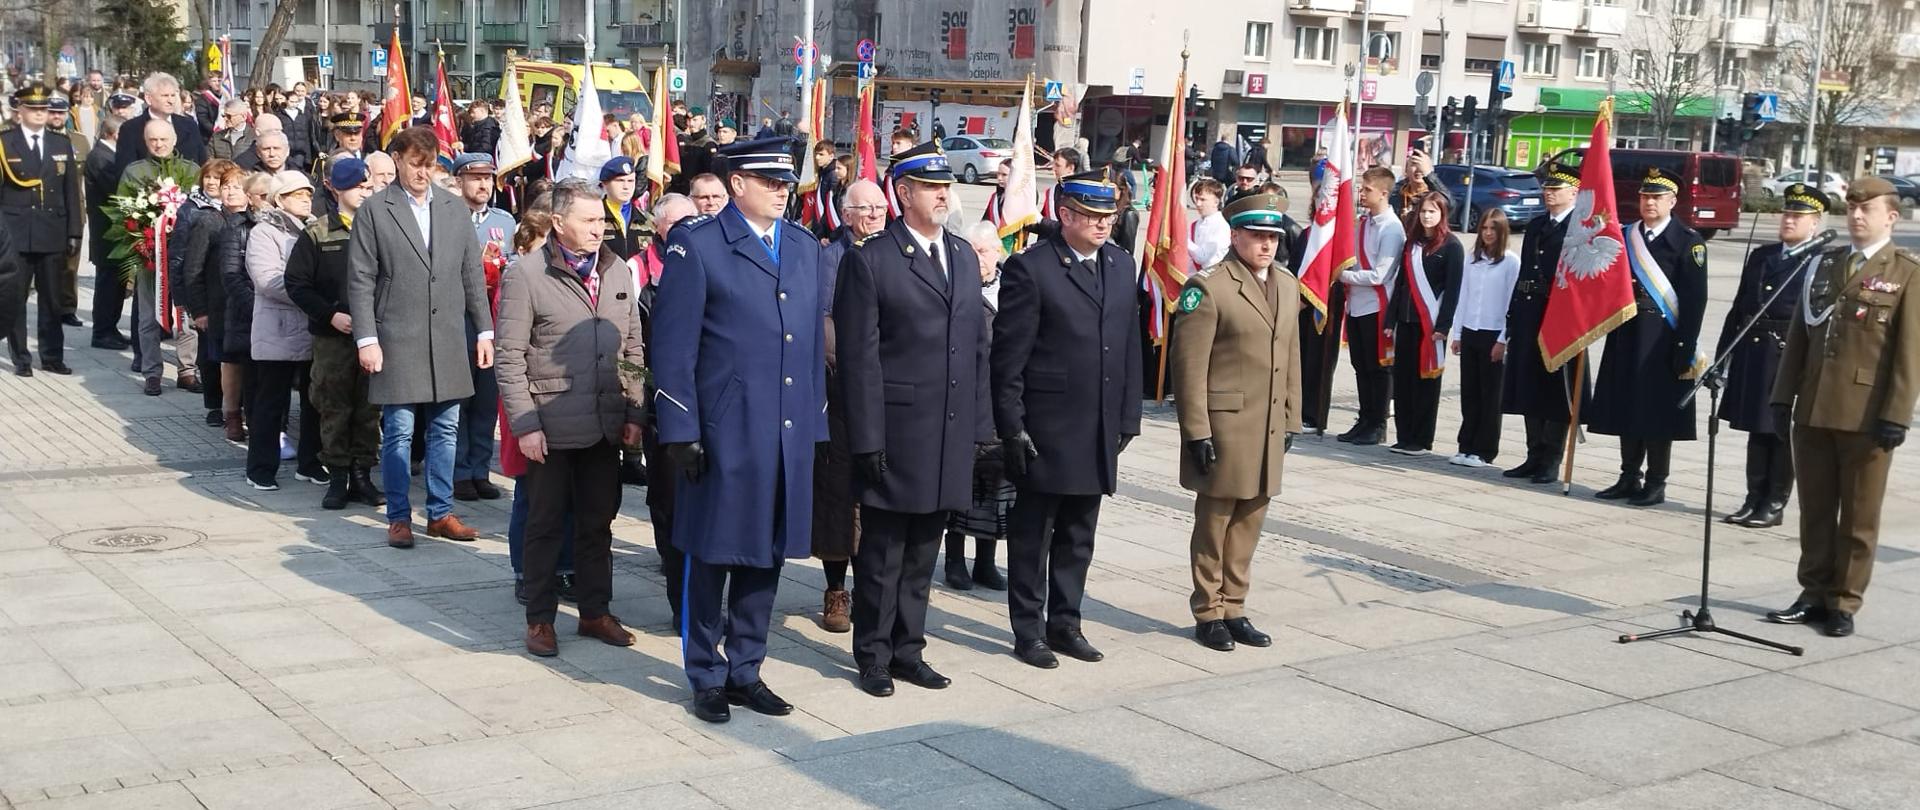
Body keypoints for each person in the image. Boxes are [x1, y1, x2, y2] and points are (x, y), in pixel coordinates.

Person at [652, 136, 827, 724]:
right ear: (736, 185)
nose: (782, 191)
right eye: (770, 182)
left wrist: (815, 428)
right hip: (725, 430)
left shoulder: (803, 249)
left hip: (784, 430)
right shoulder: (697, 246)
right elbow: (673, 348)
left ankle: (746, 667)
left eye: (786, 182)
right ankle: (704, 672)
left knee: (766, 553)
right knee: (712, 554)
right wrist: (681, 428)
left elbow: (805, 349)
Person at [833, 142, 991, 697]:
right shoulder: (871, 258)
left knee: (925, 549)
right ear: (903, 193)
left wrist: (980, 428)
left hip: (948, 429)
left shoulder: (964, 255)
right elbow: (858, 359)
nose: (944, 194)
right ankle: (873, 655)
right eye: (931, 186)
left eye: (947, 185)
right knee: (882, 552)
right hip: (896, 431)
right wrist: (867, 439)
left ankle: (909, 649)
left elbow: (977, 348)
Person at [992, 167, 1143, 669]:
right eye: (1093, 217)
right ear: (1066, 215)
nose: (1103, 225)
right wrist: (1011, 426)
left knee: (1080, 532)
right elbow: (1009, 359)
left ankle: (1066, 623)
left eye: (1109, 216)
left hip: (1097, 423)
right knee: (1034, 535)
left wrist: (1128, 416)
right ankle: (1028, 630)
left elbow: (1128, 346)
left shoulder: (1120, 266)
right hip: (1047, 426)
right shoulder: (1032, 269)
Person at [496, 178, 647, 657]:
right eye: (588, 220)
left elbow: (632, 348)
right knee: (544, 526)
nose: (598, 228)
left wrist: (633, 408)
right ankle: (540, 618)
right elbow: (509, 357)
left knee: (598, 523)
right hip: (550, 428)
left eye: (601, 218)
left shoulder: (618, 270)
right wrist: (525, 425)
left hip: (605, 425)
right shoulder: (527, 273)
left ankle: (594, 611)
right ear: (559, 223)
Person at [1764, 176, 1920, 639]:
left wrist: (1896, 413)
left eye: (1865, 209)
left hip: (1866, 414)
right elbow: (1799, 339)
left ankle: (1844, 601)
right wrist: (1781, 395)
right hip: (1812, 408)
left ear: (1890, 216)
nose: (1855, 217)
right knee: (1814, 509)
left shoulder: (1907, 272)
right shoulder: (1826, 263)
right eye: (1851, 208)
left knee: (1858, 515)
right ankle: (1812, 593)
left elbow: (1910, 353)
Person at [346, 126, 495, 548]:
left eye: (430, 165)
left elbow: (472, 274)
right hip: (396, 335)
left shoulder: (452, 208)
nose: (422, 173)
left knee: (446, 431)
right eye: (415, 164)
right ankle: (398, 516)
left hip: (447, 336)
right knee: (398, 432)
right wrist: (366, 338)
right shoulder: (376, 210)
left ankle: (440, 512)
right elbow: (360, 279)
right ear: (396, 159)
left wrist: (483, 330)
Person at [1170, 193, 1300, 652]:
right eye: (1258, 236)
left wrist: (1291, 418)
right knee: (1215, 519)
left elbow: (1291, 355)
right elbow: (1188, 368)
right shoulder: (1208, 287)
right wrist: (1196, 431)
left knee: (1251, 517)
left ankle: (1235, 606)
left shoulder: (1286, 284)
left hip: (1266, 425)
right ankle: (1208, 610)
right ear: (1236, 235)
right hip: (1224, 425)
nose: (1266, 245)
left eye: (1273, 237)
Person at [1587, 167, 1707, 508]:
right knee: (1627, 405)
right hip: (1628, 332)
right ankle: (1628, 476)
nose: (1649, 202)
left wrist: (1684, 347)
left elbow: (1695, 300)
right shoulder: (1626, 236)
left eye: (1656, 197)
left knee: (1657, 413)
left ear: (1672, 201)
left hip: (1663, 337)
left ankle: (1656, 481)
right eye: (1644, 196)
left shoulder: (1688, 242)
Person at [1716, 185, 1822, 529]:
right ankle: (1753, 498)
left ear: (1815, 223)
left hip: (1787, 353)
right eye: (1787, 214)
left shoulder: (1820, 262)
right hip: (1755, 350)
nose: (1789, 220)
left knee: (1779, 431)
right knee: (1756, 430)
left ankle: (1774, 502)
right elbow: (1739, 307)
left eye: (1798, 216)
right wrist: (1723, 356)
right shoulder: (1763, 256)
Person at [812, 180, 889, 633]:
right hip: (839, 392)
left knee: (877, 497)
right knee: (837, 498)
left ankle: (873, 588)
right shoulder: (830, 257)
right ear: (846, 213)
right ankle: (835, 591)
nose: (875, 215)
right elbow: (821, 321)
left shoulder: (896, 252)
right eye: (865, 208)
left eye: (880, 207)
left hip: (885, 392)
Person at [286, 156, 384, 509]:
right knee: (334, 405)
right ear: (336, 189)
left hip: (374, 334)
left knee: (370, 407)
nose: (363, 192)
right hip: (333, 338)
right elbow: (296, 283)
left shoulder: (381, 228)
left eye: (367, 186)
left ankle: (363, 475)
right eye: (356, 186)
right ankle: (338, 476)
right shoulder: (319, 232)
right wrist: (330, 315)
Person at [1500, 157, 1591, 484]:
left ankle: (1551, 459)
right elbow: (1525, 273)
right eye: (1547, 187)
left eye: (1557, 188)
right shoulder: (1538, 226)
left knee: (1556, 391)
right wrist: (1513, 318)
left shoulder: (1580, 229)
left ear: (1575, 192)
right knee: (1530, 386)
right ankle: (1533, 454)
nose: (1549, 193)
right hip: (1529, 312)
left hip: (1560, 318)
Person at [633, 192, 698, 626]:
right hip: (664, 413)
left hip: (710, 418)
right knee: (670, 510)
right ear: (660, 229)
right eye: (679, 226)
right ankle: (683, 604)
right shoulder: (642, 276)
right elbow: (635, 351)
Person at [243, 170, 321, 491]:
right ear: (280, 199)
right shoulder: (264, 232)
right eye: (298, 194)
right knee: (270, 404)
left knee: (314, 400)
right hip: (277, 328)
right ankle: (261, 468)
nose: (306, 199)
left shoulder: (316, 230)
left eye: (308, 194)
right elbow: (267, 279)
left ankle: (311, 462)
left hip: (311, 328)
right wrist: (313, 297)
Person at [945, 220, 1012, 593]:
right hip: (967, 399)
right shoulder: (958, 289)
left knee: (998, 485)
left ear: (998, 251)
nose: (978, 259)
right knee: (962, 486)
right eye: (970, 252)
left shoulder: (1012, 287)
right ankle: (955, 560)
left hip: (1002, 401)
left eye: (984, 251)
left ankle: (986, 561)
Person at [0, 83, 82, 377]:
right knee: (15, 298)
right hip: (15, 233)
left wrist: (75, 232)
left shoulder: (61, 144)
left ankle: (51, 356)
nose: (39, 113)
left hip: (52, 232)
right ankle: (21, 357)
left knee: (52, 299)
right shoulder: (5, 143)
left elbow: (71, 190)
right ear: (19, 110)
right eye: (33, 109)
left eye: (43, 109)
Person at [451, 153, 514, 503]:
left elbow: (516, 260)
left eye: (488, 178)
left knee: (487, 399)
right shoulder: (447, 216)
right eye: (475, 178)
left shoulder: (504, 221)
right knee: (460, 396)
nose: (483, 184)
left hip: (493, 317)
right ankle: (458, 471)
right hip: (457, 315)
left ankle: (479, 469)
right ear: (459, 180)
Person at [122, 119, 199, 394]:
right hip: (150, 257)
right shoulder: (135, 172)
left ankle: (187, 370)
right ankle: (152, 372)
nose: (159, 144)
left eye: (164, 139)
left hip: (184, 256)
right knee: (148, 316)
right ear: (146, 141)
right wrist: (141, 243)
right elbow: (125, 211)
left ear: (174, 140)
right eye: (153, 140)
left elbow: (198, 210)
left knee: (185, 315)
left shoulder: (191, 170)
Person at [1388, 192, 1462, 455]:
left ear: (1442, 215)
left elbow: (1453, 291)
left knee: (1425, 384)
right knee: (1403, 381)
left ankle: (1421, 438)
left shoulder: (1452, 247)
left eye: (1432, 211)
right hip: (1406, 322)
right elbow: (1400, 284)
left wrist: (1443, 327)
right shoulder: (1412, 244)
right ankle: (1404, 435)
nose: (1427, 216)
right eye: (1423, 211)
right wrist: (1390, 319)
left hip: (1429, 327)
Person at [1336, 167, 1403, 446]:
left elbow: (1379, 274)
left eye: (1367, 190)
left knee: (1378, 368)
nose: (1361, 194)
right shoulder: (1363, 223)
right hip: (1356, 305)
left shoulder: (1391, 228)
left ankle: (1378, 423)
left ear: (1384, 193)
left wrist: (1342, 275)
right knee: (1360, 365)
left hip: (1377, 307)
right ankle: (1364, 419)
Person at [1448, 209, 1520, 467]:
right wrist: (1457, 334)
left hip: (1493, 333)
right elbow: (1463, 297)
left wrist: (1503, 339)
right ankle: (1465, 445)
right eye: (1484, 228)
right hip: (1471, 330)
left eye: (1493, 229)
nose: (1488, 233)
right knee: (1470, 392)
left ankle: (1484, 450)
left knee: (1491, 395)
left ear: (1501, 232)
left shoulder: (1511, 262)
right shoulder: (1472, 260)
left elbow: (1511, 303)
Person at [88, 94, 140, 351]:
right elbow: (116, 189)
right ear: (115, 135)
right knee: (108, 285)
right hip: (106, 232)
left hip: (114, 233)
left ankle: (110, 328)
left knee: (117, 283)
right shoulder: (101, 157)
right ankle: (102, 331)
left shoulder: (109, 156)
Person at [113, 72, 208, 178]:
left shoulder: (189, 125)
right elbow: (125, 172)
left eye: (173, 95)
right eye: (165, 96)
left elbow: (203, 164)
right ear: (149, 99)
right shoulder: (131, 129)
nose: (171, 101)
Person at [1188, 178, 1229, 273]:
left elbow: (1201, 257)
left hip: (1209, 280)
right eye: (1197, 198)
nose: (1198, 204)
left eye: (1203, 199)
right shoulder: (1195, 224)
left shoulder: (1220, 226)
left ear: (1216, 202)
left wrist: (1182, 237)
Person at [1037, 147, 1079, 221]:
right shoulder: (1051, 192)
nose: (1054, 169)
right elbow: (1044, 218)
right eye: (1053, 165)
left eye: (1058, 165)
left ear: (1071, 168)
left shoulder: (1081, 193)